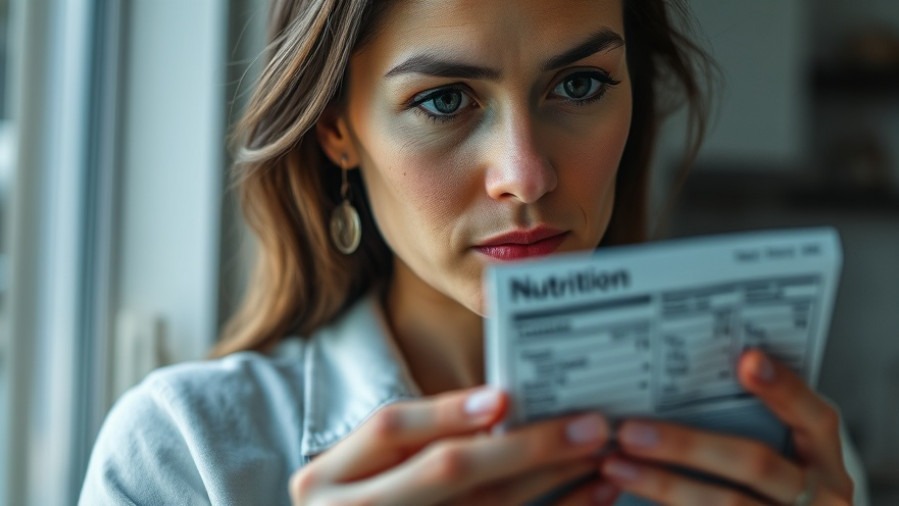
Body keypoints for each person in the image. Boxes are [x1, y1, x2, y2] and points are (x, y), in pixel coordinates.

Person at [80, 0, 864, 504]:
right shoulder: (186, 454)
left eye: (580, 85)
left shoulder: (768, 447)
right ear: (337, 129)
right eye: (444, 100)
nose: (525, 174)